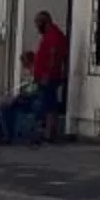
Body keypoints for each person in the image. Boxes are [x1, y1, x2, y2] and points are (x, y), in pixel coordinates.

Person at [29, 10, 69, 140]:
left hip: (50, 77)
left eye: (37, 23)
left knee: (50, 104)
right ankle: (48, 131)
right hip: (46, 76)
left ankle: (50, 133)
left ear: (44, 22)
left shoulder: (53, 35)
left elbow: (53, 57)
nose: (36, 28)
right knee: (47, 103)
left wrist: (46, 74)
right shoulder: (49, 35)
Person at [0, 55, 46, 144]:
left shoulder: (38, 74)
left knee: (4, 108)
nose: (25, 68)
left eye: (26, 64)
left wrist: (21, 96)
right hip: (27, 99)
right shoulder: (31, 74)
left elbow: (35, 90)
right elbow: (28, 89)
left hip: (32, 101)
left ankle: (7, 135)